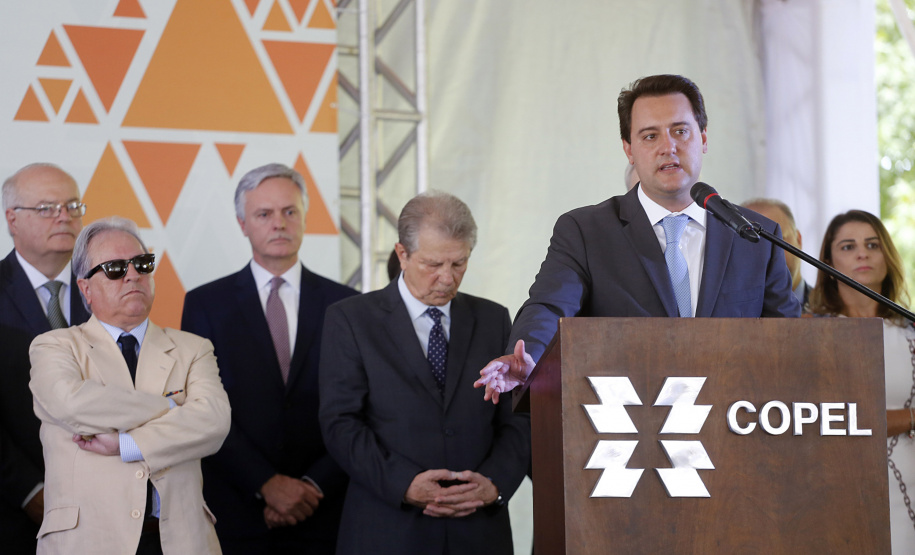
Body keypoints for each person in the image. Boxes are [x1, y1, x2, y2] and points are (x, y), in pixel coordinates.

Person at [475, 74, 801, 402]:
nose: (667, 147)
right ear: (629, 149)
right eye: (649, 136)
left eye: (680, 131)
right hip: (632, 425)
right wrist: (526, 356)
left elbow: (790, 341)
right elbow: (549, 306)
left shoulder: (754, 235)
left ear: (703, 139)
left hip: (736, 420)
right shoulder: (586, 231)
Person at [319, 191, 530, 554]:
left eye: (459, 264)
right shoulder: (352, 320)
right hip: (387, 528)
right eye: (433, 264)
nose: (447, 279)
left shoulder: (494, 318)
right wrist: (404, 484)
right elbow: (341, 423)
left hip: (478, 532)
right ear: (402, 254)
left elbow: (517, 420)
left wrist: (494, 484)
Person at [181, 163, 357, 554]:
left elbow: (360, 408)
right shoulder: (205, 304)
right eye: (264, 214)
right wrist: (264, 483)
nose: (279, 223)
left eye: (289, 211)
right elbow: (200, 409)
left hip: (327, 511)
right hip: (238, 512)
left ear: (305, 218)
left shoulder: (347, 305)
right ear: (243, 223)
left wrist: (313, 485)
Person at [29, 217, 231, 554]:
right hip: (87, 540)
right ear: (85, 289)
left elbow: (213, 422)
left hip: (179, 539)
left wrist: (127, 444)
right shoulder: (55, 346)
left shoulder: (193, 348)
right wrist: (170, 408)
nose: (133, 275)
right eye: (114, 268)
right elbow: (73, 403)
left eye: (142, 263)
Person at [807, 209, 915, 552]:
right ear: (828, 261)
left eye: (872, 244)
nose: (862, 253)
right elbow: (831, 420)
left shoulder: (911, 332)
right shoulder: (812, 335)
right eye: (848, 246)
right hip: (842, 492)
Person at [0, 163, 91, 553]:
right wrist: (30, 490)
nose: (64, 216)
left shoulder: (106, 290)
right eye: (46, 208)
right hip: (13, 515)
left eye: (72, 205)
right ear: (12, 219)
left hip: (102, 511)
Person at [742, 197, 811, 308]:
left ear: (798, 239)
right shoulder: (722, 315)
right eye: (752, 244)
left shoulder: (835, 313)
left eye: (776, 240)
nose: (767, 254)